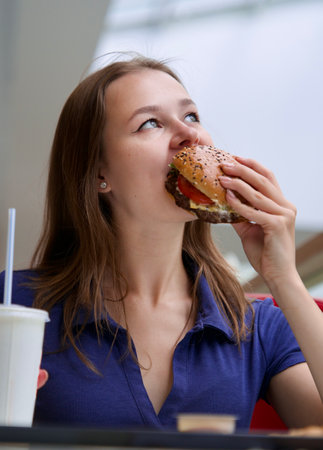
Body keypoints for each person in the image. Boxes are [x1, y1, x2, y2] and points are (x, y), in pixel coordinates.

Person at [1, 54, 323, 431]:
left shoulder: (257, 325)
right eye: (149, 123)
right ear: (98, 173)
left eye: (191, 116)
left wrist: (283, 277)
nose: (191, 135)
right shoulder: (15, 306)